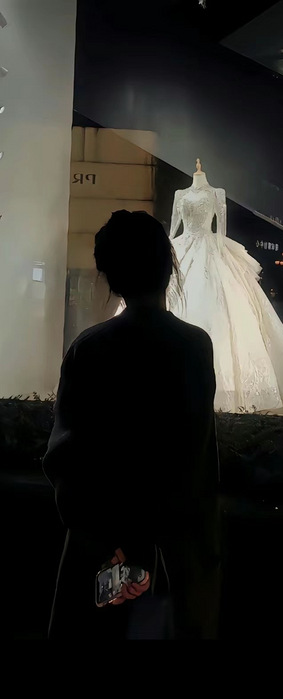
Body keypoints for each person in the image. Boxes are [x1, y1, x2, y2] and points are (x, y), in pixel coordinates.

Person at [43, 209, 221, 640]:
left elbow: (65, 456)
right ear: (169, 267)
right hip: (173, 549)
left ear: (111, 276)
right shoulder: (195, 347)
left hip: (101, 547)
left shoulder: (89, 349)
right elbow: (199, 459)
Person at [166, 159, 283, 416]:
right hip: (183, 248)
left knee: (225, 308)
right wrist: (169, 249)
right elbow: (174, 227)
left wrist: (219, 256)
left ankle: (228, 389)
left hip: (212, 249)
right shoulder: (180, 194)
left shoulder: (217, 193)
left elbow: (221, 228)